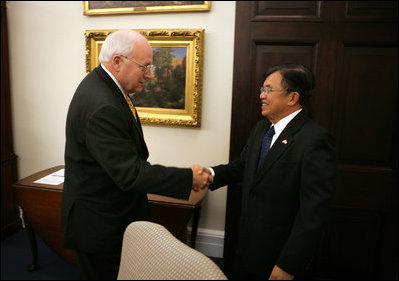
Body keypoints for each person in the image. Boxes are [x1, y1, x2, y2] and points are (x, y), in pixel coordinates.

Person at [61, 29, 213, 280]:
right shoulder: (102, 104)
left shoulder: (105, 86)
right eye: (144, 66)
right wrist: (188, 178)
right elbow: (130, 174)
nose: (149, 75)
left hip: (108, 214)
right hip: (100, 225)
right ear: (118, 61)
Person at [201, 64, 337, 279]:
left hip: (278, 258)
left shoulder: (315, 140)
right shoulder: (262, 128)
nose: (261, 96)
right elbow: (242, 167)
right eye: (262, 89)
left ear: (292, 98)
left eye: (267, 90)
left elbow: (313, 212)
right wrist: (208, 174)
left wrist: (289, 264)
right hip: (246, 249)